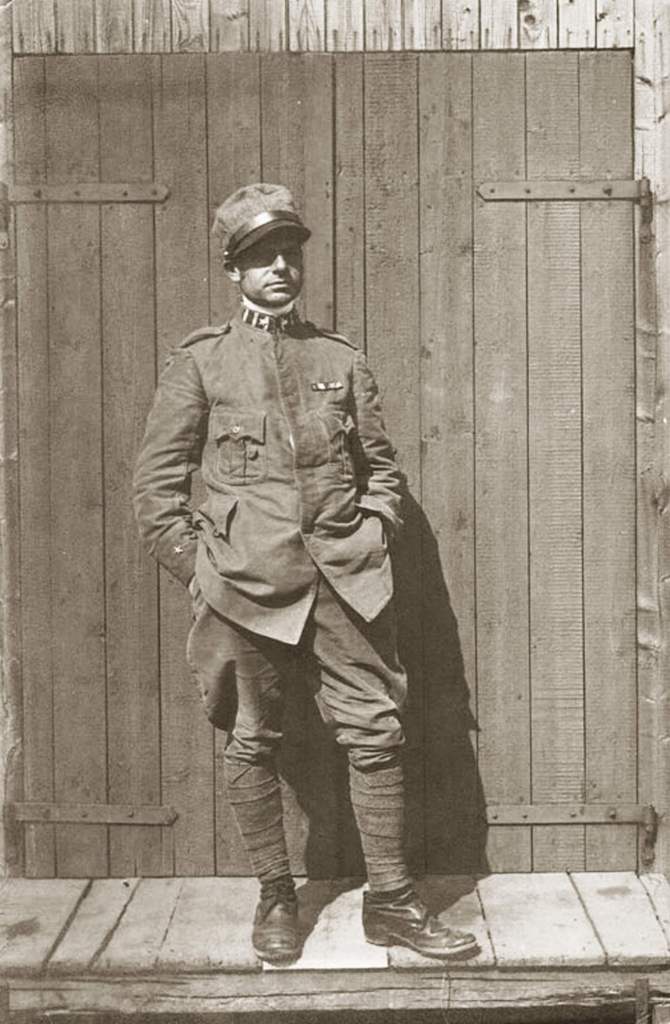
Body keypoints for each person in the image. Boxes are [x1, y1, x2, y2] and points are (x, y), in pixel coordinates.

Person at [133, 182, 478, 964]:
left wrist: (374, 531)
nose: (281, 266)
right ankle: (277, 898)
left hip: (346, 581)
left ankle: (391, 903)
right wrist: (202, 572)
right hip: (244, 588)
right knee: (253, 738)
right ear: (234, 270)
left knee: (377, 731)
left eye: (289, 252)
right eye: (262, 256)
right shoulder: (202, 363)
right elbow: (155, 490)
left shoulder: (339, 360)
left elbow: (380, 468)